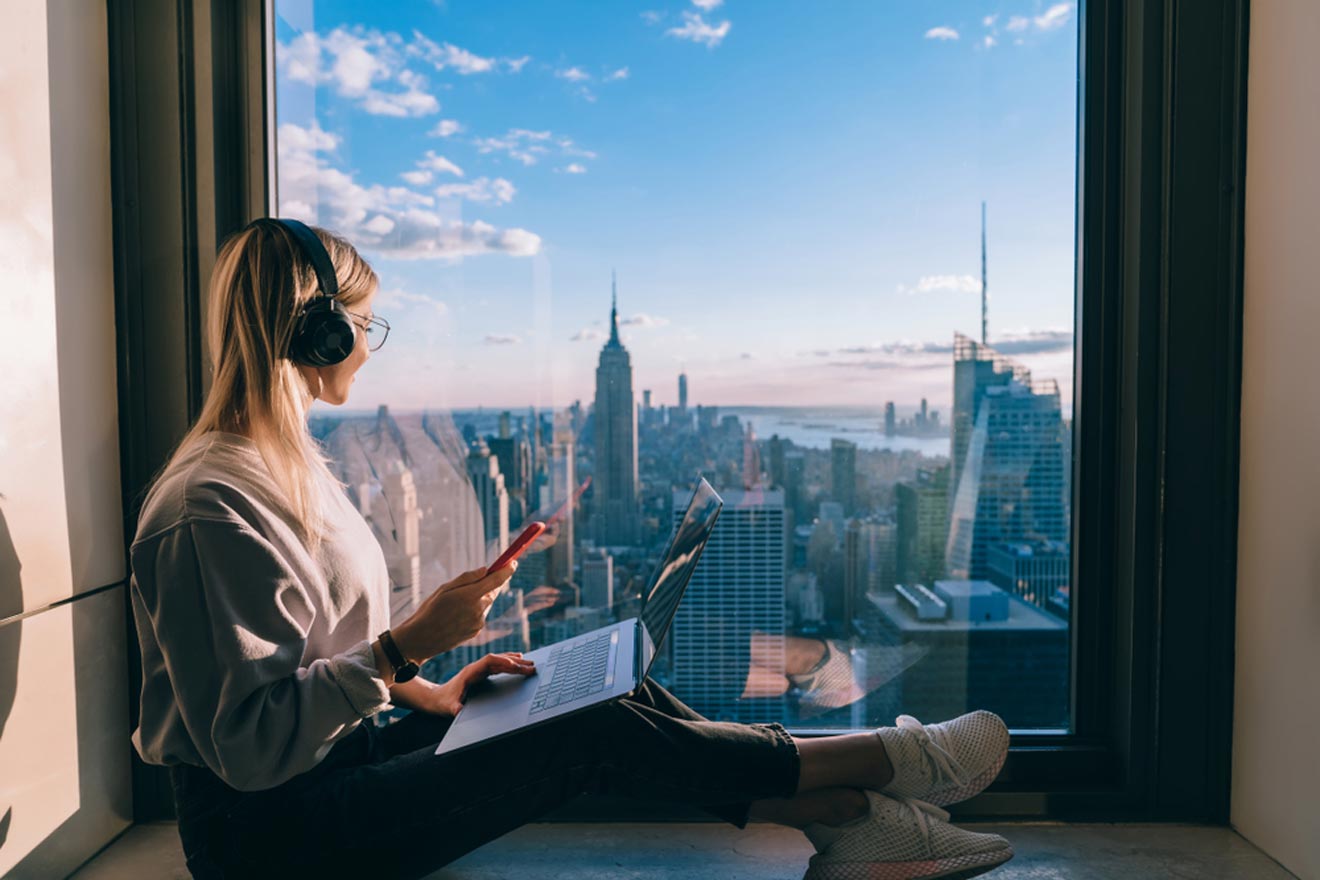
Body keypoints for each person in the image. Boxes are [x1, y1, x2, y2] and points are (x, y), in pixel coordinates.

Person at [127, 218, 1015, 880]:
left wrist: (432, 692)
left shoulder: (286, 467)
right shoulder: (210, 508)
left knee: (591, 683)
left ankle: (847, 816)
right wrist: (408, 646)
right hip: (273, 839)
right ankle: (892, 761)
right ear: (314, 332)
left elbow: (311, 662)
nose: (368, 342)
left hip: (333, 766)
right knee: (585, 732)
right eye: (363, 322)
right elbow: (246, 747)